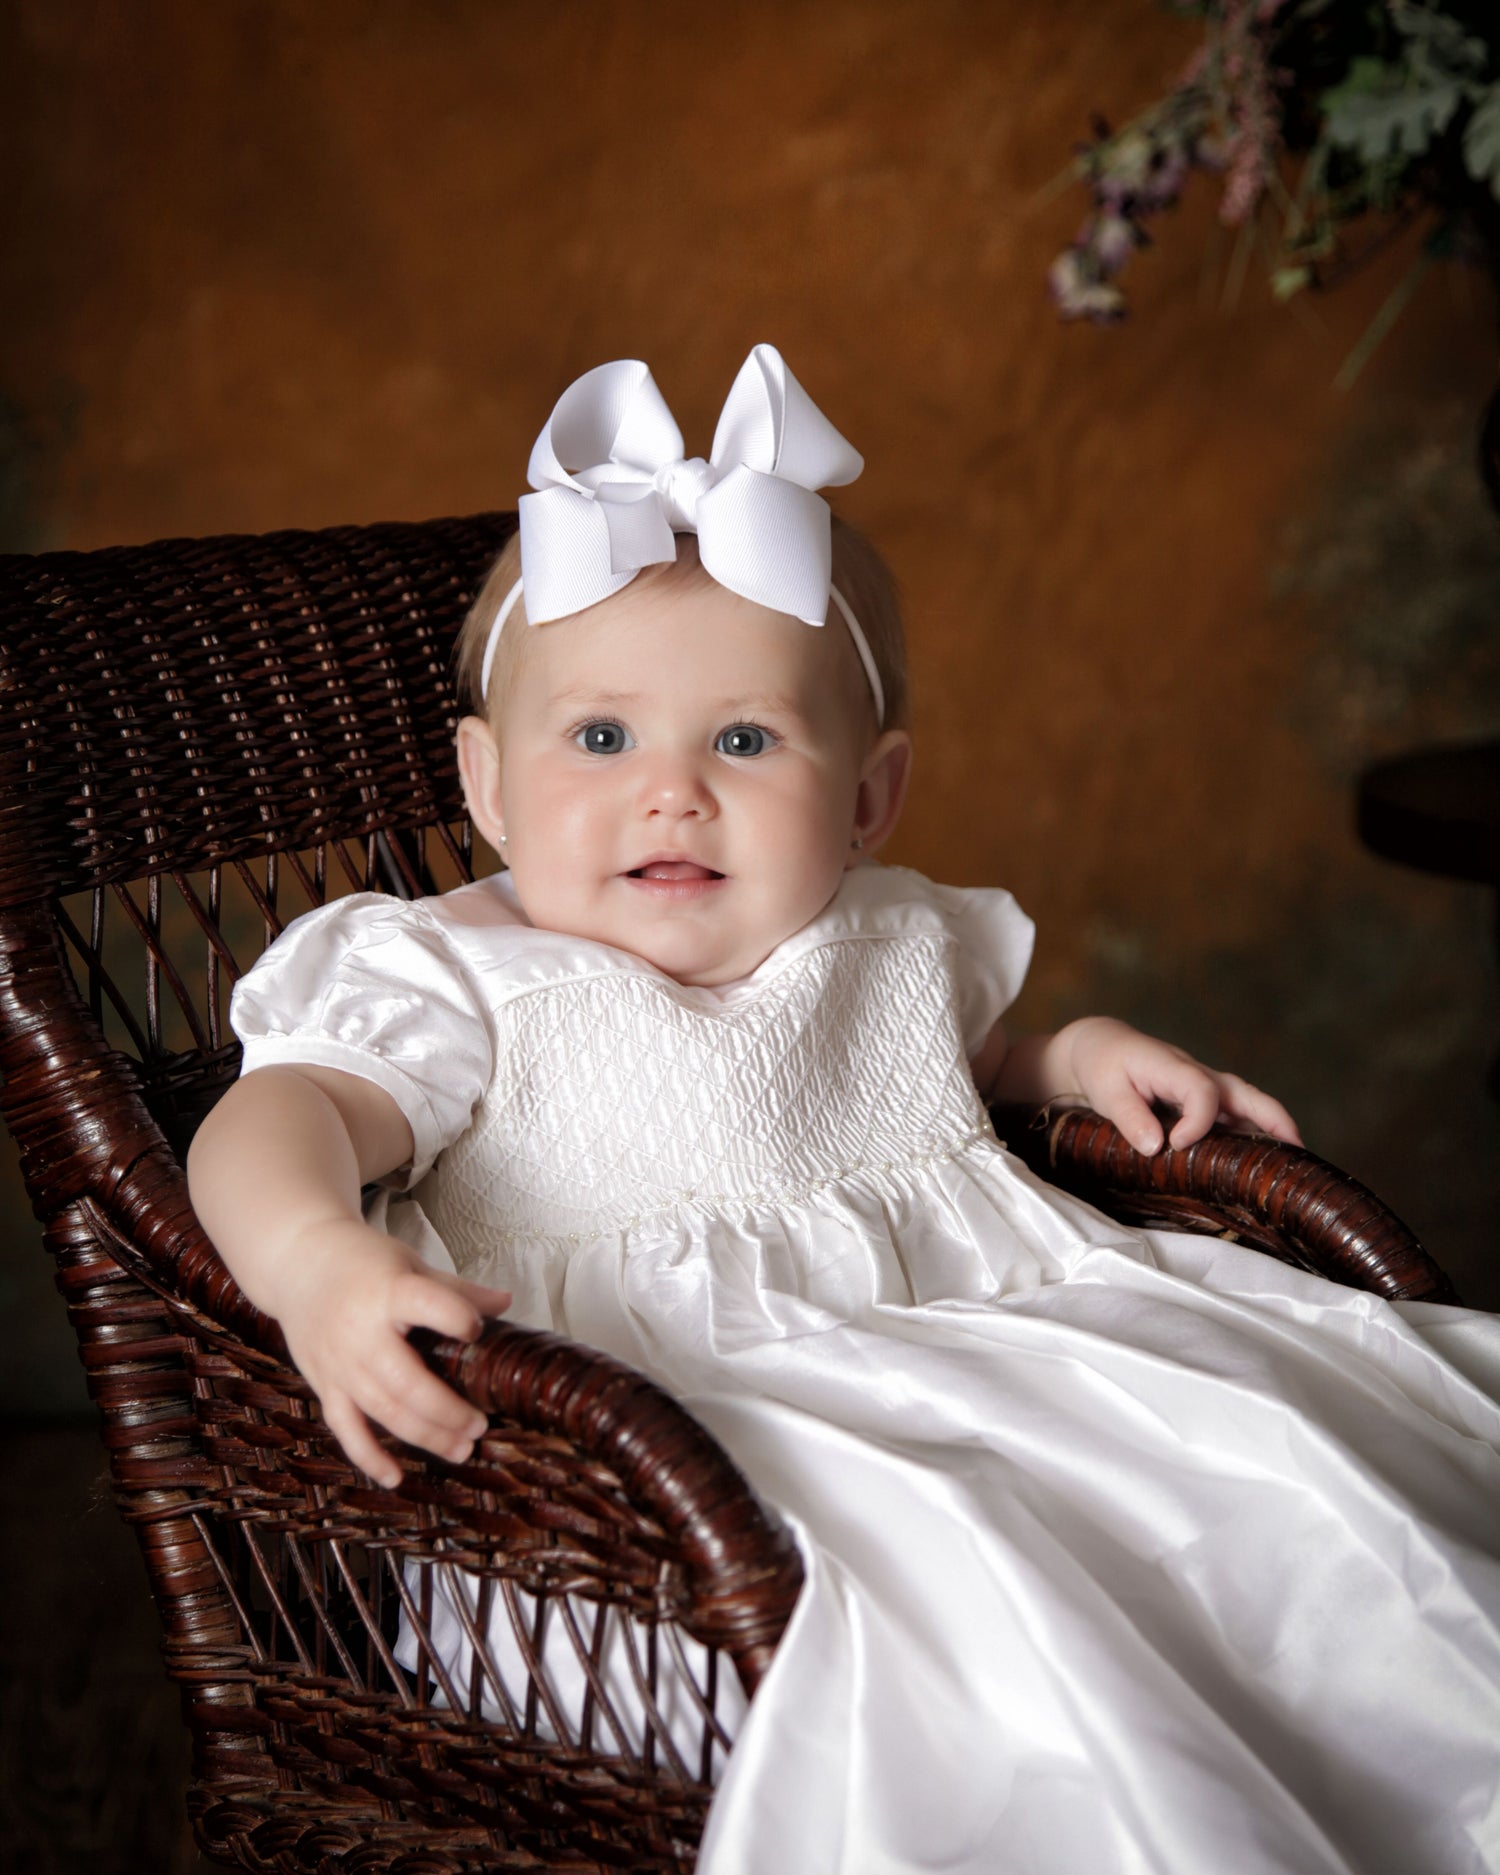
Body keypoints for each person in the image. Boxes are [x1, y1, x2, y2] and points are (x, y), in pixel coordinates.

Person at [187, 346, 1500, 1875]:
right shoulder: (453, 977)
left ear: (869, 798)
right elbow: (278, 1120)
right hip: (682, 1450)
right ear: (485, 787)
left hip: (1031, 1353)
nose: (673, 790)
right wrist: (313, 1260)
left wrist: (1076, 1057)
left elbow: (969, 1069)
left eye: (744, 740)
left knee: (1294, 1504)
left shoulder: (884, 931)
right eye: (601, 738)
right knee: (986, 1618)